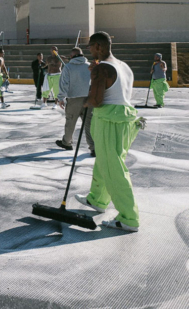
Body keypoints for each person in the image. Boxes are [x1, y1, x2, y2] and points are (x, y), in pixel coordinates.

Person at [75, 31, 144, 232]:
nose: (88, 50)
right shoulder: (123, 66)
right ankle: (97, 199)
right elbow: (118, 92)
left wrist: (84, 102)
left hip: (108, 120)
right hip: (124, 120)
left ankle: (129, 218)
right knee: (105, 161)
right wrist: (94, 74)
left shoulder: (102, 69)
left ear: (98, 46)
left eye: (90, 46)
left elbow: (96, 100)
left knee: (114, 169)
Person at [55, 47, 95, 156]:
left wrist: (61, 98)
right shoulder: (89, 66)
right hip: (89, 99)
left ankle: (67, 143)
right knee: (89, 124)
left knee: (70, 122)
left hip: (74, 99)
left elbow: (64, 84)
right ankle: (93, 147)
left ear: (72, 57)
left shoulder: (68, 67)